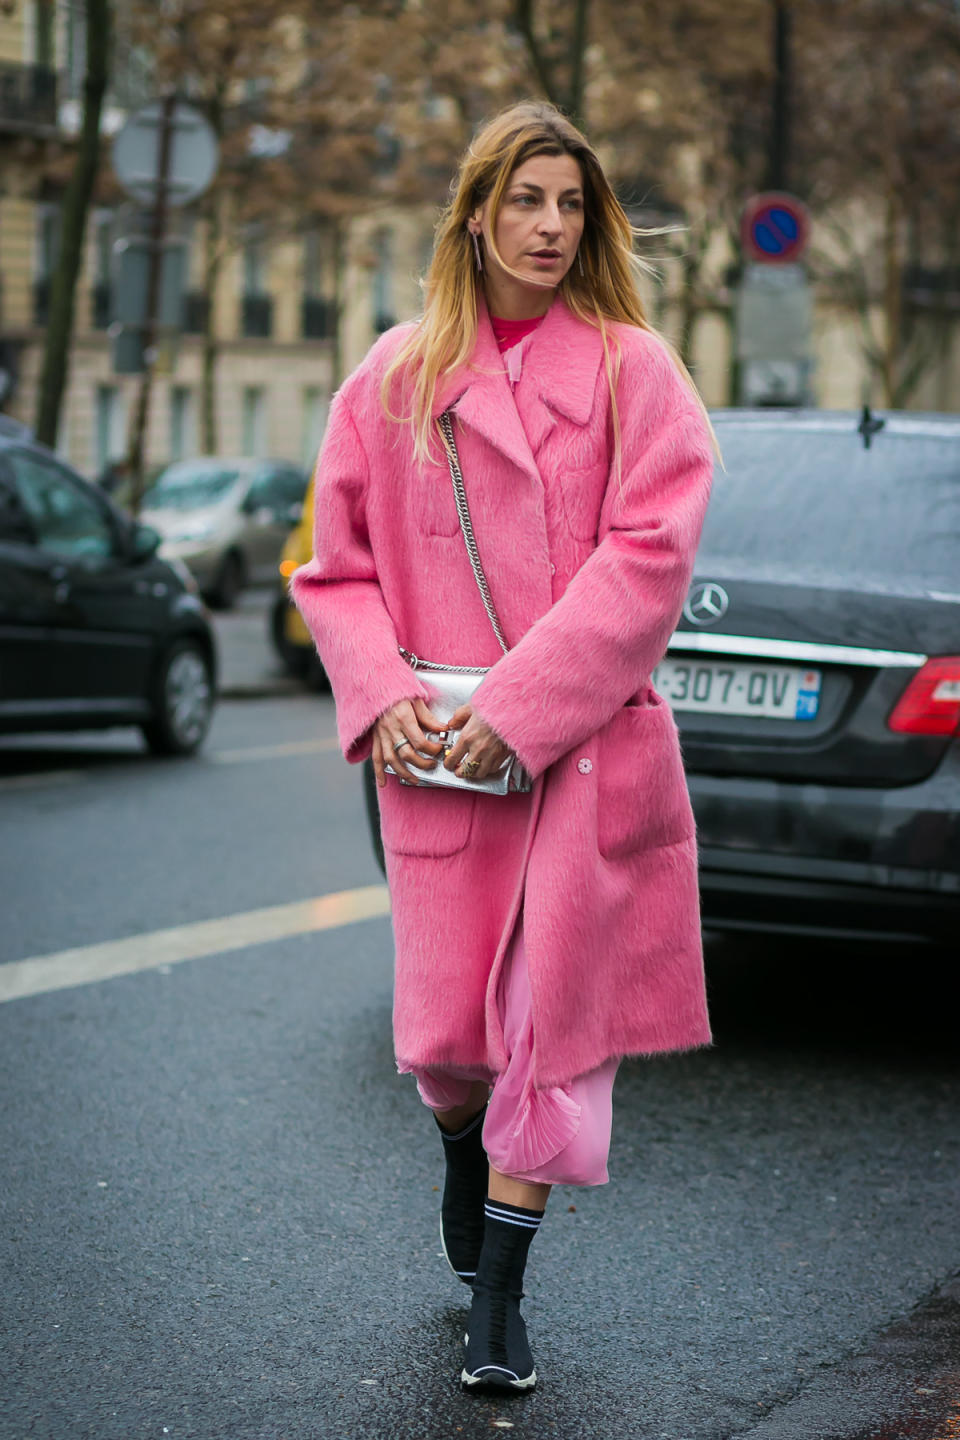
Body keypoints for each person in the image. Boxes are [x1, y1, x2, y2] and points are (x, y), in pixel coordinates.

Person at [292, 100, 715, 1394]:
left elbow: (648, 563)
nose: (549, 226)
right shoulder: (395, 377)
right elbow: (334, 563)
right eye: (525, 200)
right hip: (435, 764)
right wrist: (380, 691)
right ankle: (462, 1153)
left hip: (579, 757)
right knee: (446, 1050)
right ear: (475, 214)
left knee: (546, 1030)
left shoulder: (636, 369)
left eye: (571, 204)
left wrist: (520, 712)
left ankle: (501, 1309)